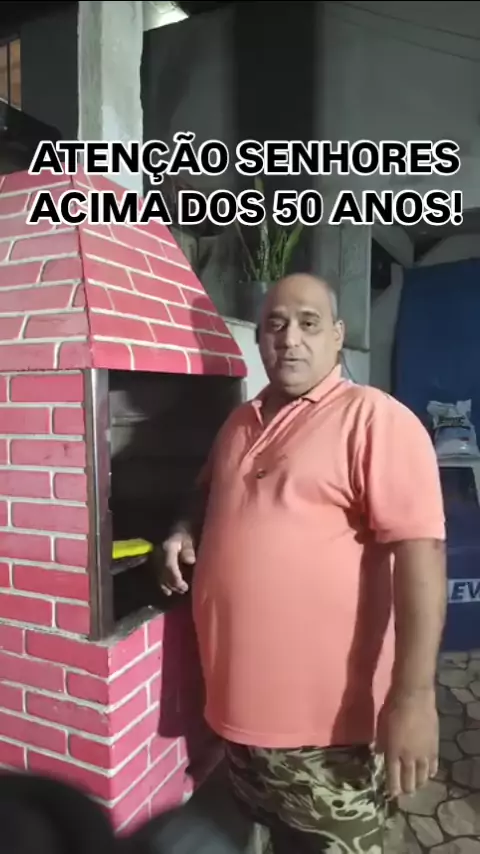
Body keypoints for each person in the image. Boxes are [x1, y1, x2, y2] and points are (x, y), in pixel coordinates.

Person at [160, 273, 446, 854]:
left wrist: (414, 698)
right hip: (240, 726)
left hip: (332, 738)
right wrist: (182, 530)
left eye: (308, 323)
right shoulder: (239, 421)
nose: (290, 338)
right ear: (260, 339)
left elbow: (423, 555)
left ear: (337, 336)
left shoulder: (374, 419)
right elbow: (209, 494)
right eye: (275, 324)